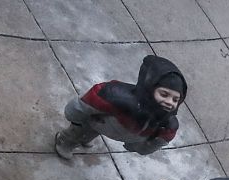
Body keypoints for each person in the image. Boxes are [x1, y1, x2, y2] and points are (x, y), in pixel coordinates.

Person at [54, 55, 187, 161]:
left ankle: (84, 139)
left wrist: (138, 147)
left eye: (176, 99)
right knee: (83, 131)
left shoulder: (167, 125)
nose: (170, 102)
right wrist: (76, 119)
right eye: (164, 94)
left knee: (91, 134)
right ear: (149, 88)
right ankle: (65, 141)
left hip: (113, 129)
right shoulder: (115, 96)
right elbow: (86, 104)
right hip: (98, 122)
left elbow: (156, 142)